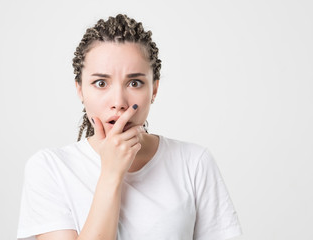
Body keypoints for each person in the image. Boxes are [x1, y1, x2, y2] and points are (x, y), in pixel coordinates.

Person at [17, 14, 242, 240]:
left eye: (134, 83)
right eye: (101, 83)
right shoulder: (50, 169)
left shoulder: (194, 163)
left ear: (154, 89)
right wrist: (111, 173)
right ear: (80, 90)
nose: (119, 102)